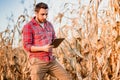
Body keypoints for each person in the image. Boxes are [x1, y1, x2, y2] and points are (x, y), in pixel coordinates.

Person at [22, 2, 72, 80]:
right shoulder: (28, 26)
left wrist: (56, 41)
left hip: (51, 60)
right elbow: (26, 46)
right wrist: (43, 48)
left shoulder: (49, 25)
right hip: (37, 61)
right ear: (36, 13)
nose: (45, 17)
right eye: (42, 14)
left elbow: (53, 38)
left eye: (46, 14)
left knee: (67, 78)